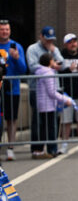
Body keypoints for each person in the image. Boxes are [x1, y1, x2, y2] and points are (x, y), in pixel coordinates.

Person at [27, 26, 65, 158]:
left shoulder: (55, 49)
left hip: (53, 88)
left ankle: (52, 148)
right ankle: (37, 149)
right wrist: (49, 66)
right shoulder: (32, 49)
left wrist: (54, 53)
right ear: (41, 37)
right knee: (38, 121)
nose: (49, 42)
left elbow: (63, 65)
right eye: (47, 39)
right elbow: (32, 66)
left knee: (52, 121)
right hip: (36, 90)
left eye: (52, 39)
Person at [34, 52, 73, 159]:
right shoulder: (48, 73)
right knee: (50, 128)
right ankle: (51, 149)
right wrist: (65, 99)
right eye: (52, 60)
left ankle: (39, 150)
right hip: (48, 104)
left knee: (44, 128)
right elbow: (52, 92)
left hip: (43, 104)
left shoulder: (41, 72)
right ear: (49, 61)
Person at [0, 19, 27, 161]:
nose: (4, 32)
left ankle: (10, 148)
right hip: (0, 87)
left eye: (7, 30)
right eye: (2, 29)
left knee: (11, 119)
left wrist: (16, 58)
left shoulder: (16, 46)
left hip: (13, 89)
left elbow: (23, 69)